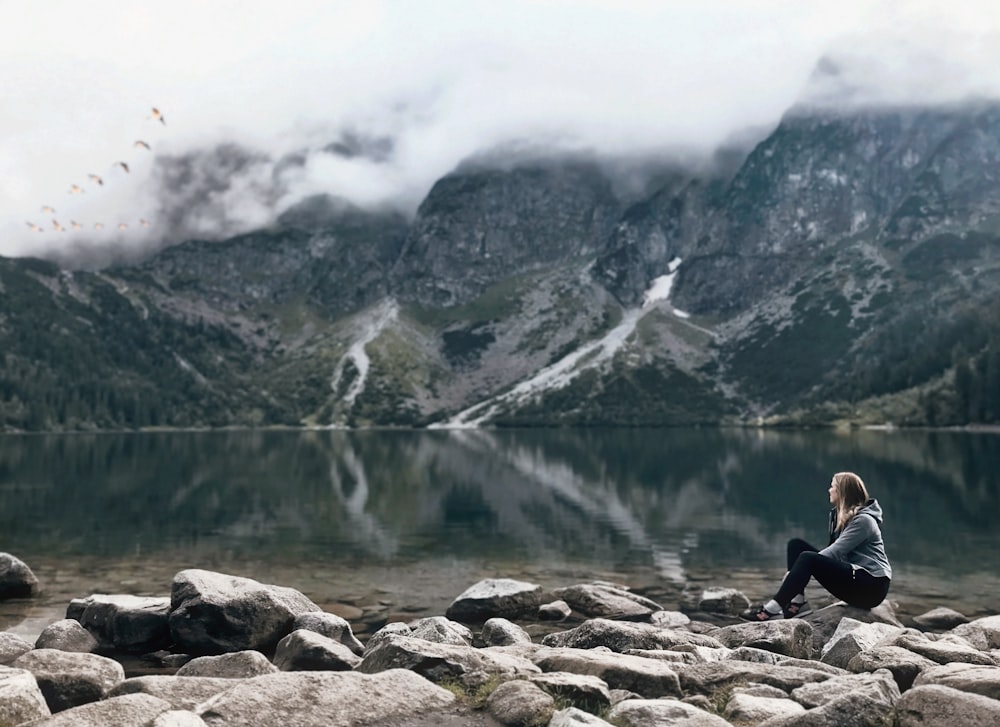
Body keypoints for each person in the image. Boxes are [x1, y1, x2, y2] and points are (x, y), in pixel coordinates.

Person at [740, 471, 892, 621]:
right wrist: (798, 572)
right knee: (796, 546)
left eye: (833, 486)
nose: (829, 490)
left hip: (871, 588)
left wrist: (795, 573)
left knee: (807, 558)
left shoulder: (864, 521)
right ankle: (797, 604)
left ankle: (771, 609)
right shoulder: (839, 516)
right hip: (856, 578)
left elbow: (835, 551)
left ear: (843, 492)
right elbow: (832, 555)